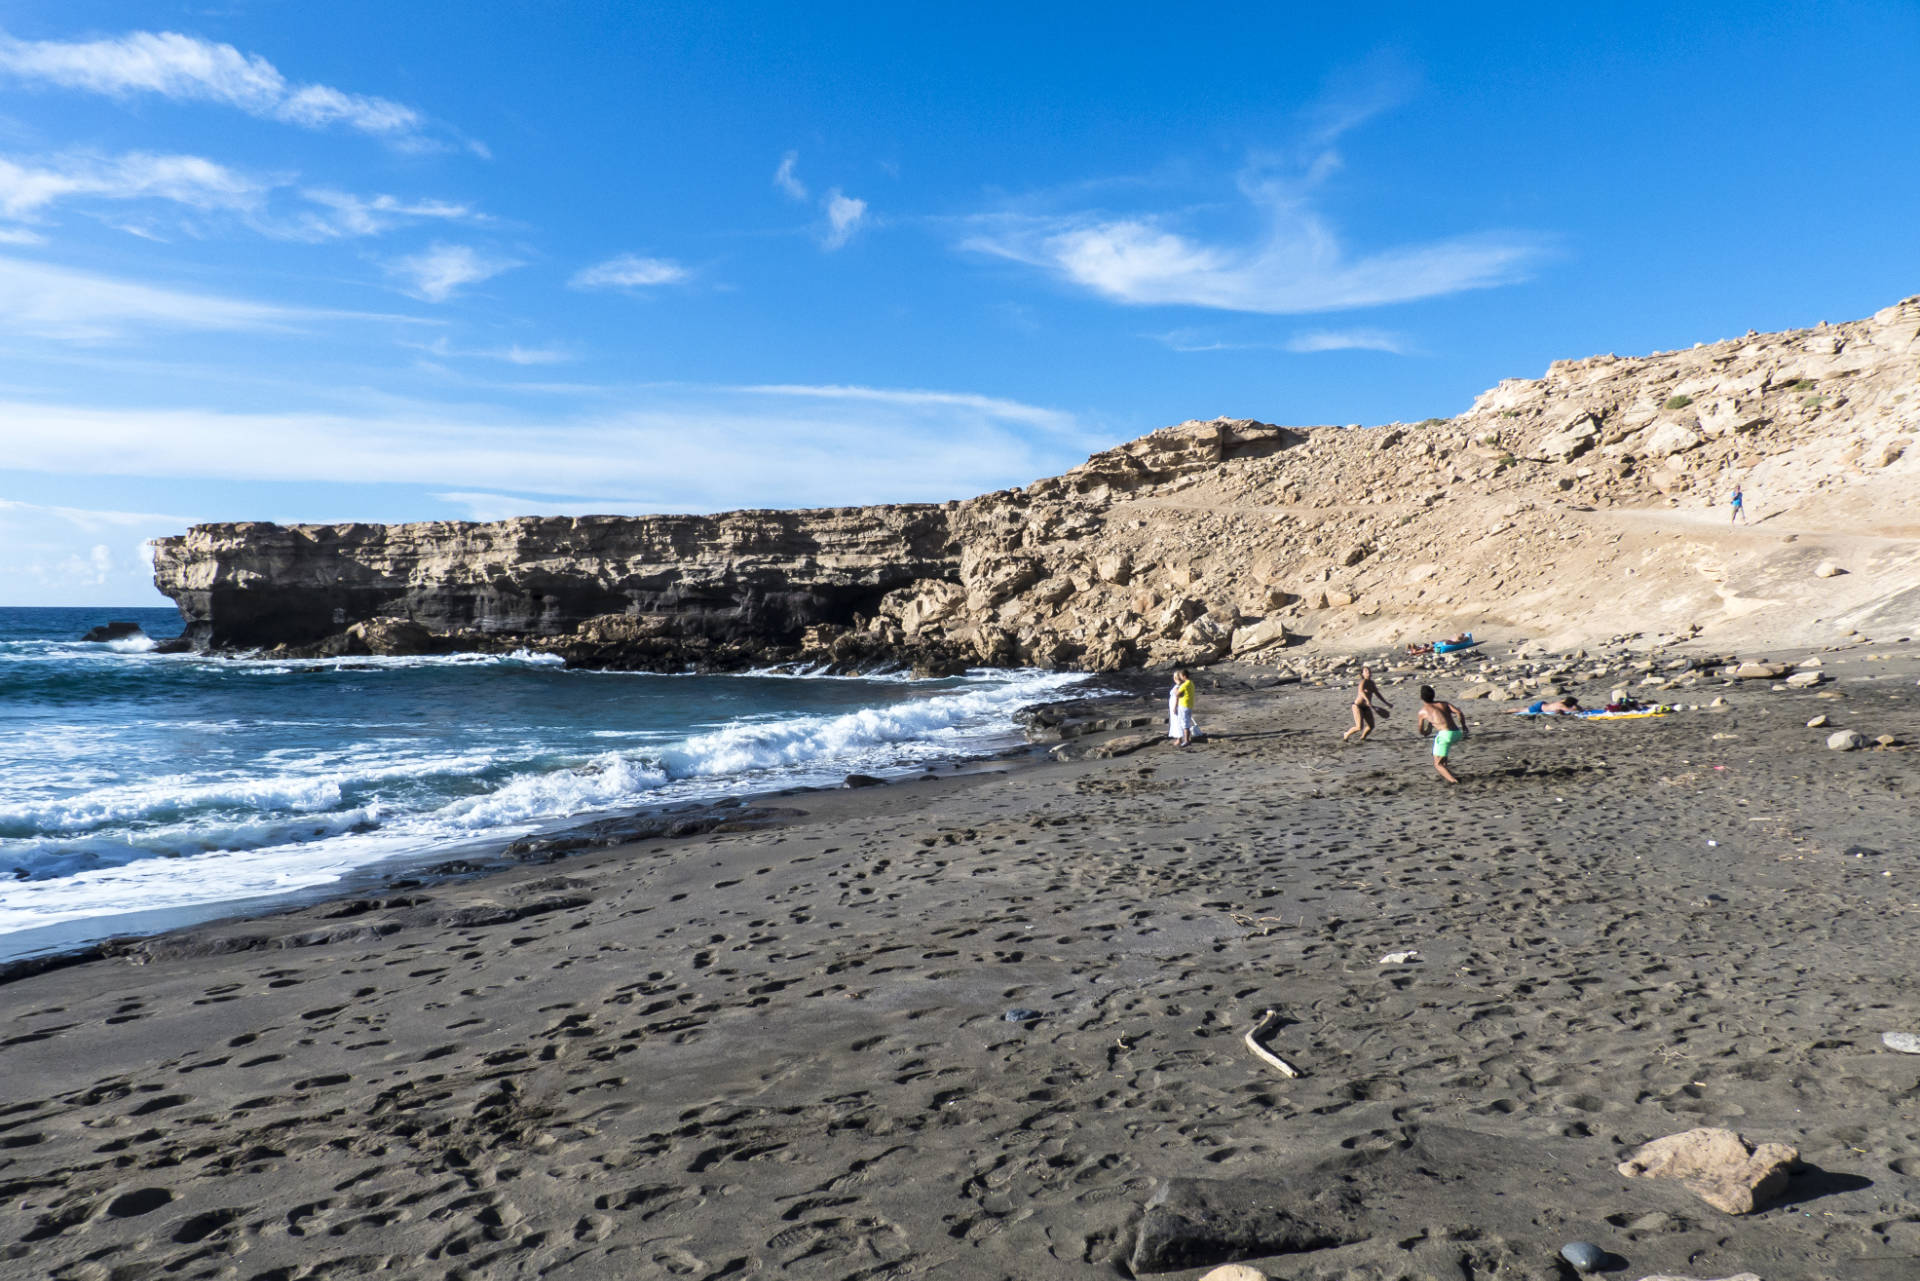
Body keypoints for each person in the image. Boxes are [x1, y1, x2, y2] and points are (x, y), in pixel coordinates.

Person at [1416, 684, 1467, 784]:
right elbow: (1459, 713)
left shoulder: (1422, 712)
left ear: (1421, 698)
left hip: (1445, 735)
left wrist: (1426, 732)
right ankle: (1448, 774)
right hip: (1457, 733)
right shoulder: (1444, 704)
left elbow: (1421, 730)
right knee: (1442, 757)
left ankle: (1453, 781)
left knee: (1437, 764)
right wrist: (1464, 726)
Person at [1341, 665, 1391, 743]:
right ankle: (1346, 734)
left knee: (1371, 726)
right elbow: (1361, 691)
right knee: (1359, 727)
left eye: (1369, 671)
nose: (1368, 672)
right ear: (1363, 674)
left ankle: (1363, 738)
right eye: (1366, 671)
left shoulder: (1372, 683)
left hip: (1366, 707)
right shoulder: (1363, 682)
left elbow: (1378, 694)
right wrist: (1367, 700)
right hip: (1357, 706)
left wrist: (1387, 703)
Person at [1167, 667, 1197, 747]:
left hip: (1182, 706)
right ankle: (1184, 739)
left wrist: (1175, 707)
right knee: (1184, 722)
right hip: (1187, 705)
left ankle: (1185, 740)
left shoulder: (1182, 685)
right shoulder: (1190, 683)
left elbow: (1177, 695)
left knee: (1183, 723)